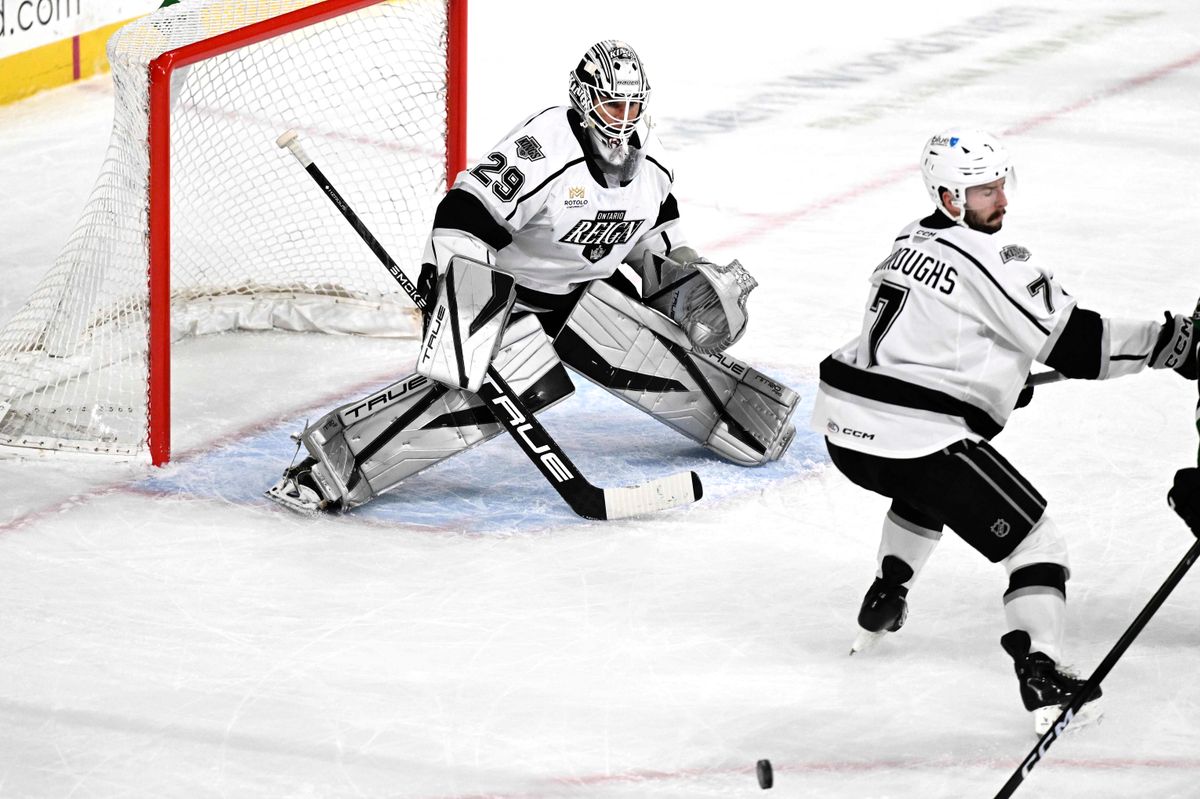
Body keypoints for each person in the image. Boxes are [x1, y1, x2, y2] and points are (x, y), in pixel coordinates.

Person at [267, 40, 798, 514]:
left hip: (583, 293)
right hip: (512, 298)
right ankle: (325, 471)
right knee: (478, 395)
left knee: (659, 353)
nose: (626, 116)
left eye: (635, 105)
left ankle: (750, 421)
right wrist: (454, 291)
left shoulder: (652, 165)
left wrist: (681, 273)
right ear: (585, 99)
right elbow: (463, 214)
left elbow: (652, 234)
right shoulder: (543, 149)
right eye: (615, 103)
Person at [810, 127, 1198, 733]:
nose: (1003, 201)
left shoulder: (904, 244)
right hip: (912, 436)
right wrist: (1174, 344)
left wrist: (991, 379)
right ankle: (1040, 667)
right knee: (1037, 546)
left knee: (922, 492)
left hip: (845, 431)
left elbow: (928, 339)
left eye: (1000, 185)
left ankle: (888, 593)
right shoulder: (996, 259)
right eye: (986, 191)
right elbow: (1078, 346)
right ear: (949, 198)